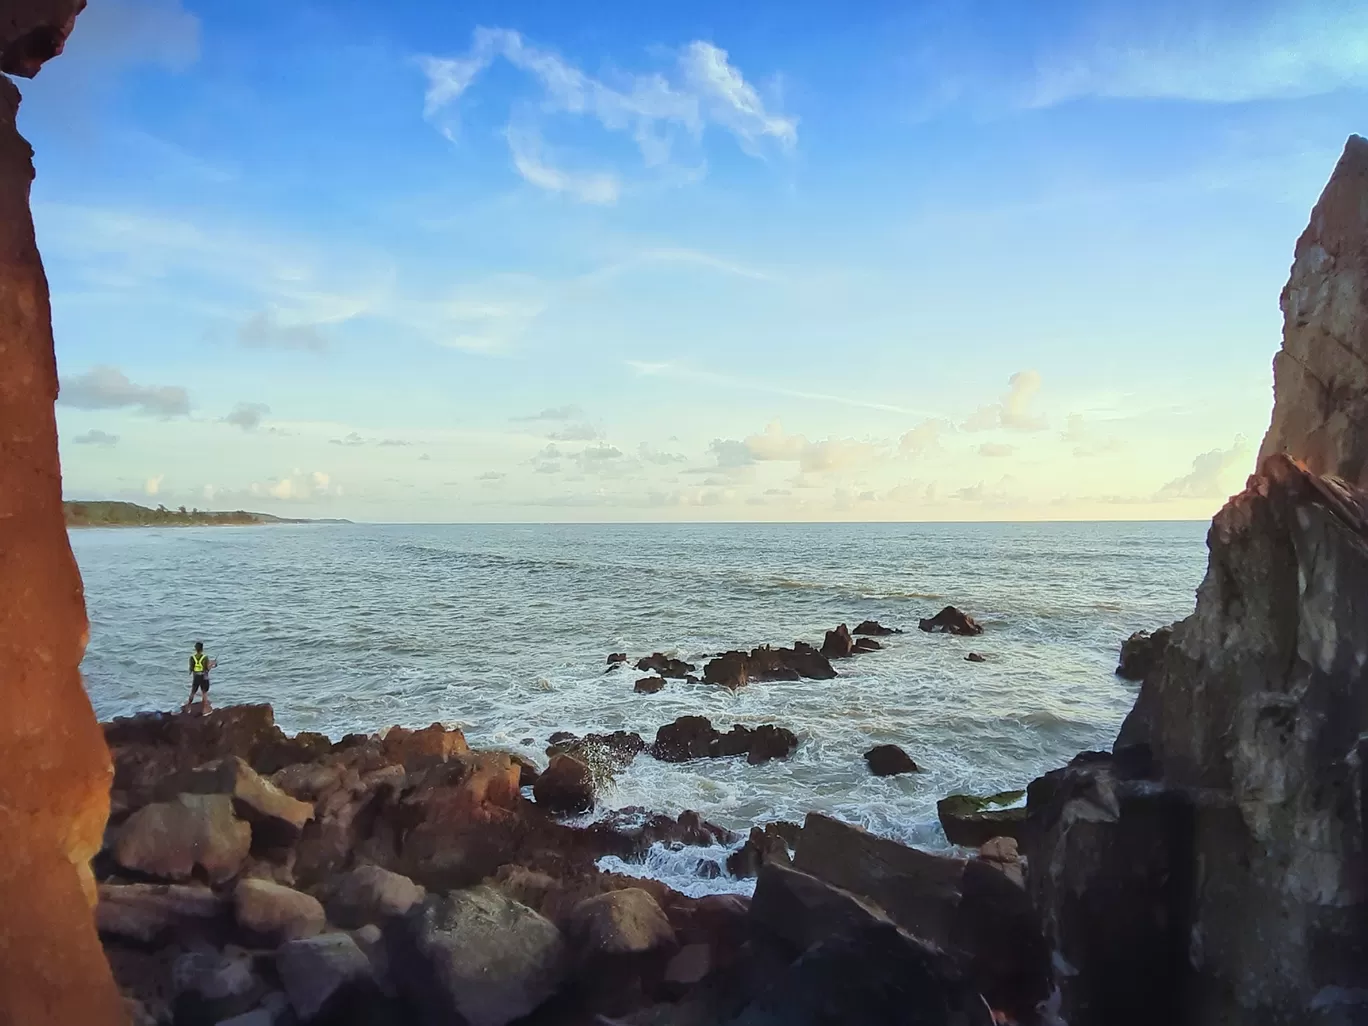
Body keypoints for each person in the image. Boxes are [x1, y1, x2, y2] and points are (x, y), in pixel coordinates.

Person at [185, 641, 217, 713]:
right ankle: (205, 710)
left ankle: (188, 707)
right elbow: (206, 669)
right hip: (204, 677)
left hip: (196, 677)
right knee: (204, 692)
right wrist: (212, 665)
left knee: (193, 692)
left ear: (195, 649)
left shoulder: (192, 658)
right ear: (202, 649)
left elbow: (191, 669)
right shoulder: (205, 657)